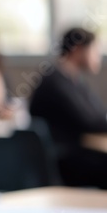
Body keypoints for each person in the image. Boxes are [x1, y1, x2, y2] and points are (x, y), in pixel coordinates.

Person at [30, 27, 107, 189]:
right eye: (95, 50)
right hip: (63, 160)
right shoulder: (55, 82)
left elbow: (98, 114)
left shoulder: (75, 80)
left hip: (78, 152)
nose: (97, 57)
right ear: (78, 50)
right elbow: (90, 121)